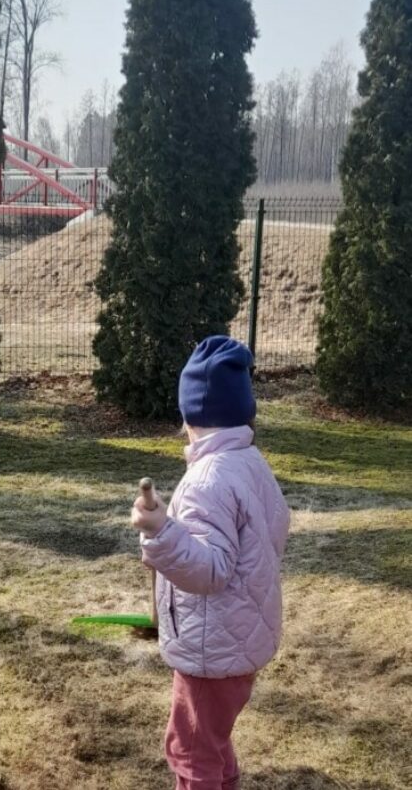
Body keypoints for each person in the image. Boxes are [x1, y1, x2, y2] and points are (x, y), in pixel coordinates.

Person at [131, 335, 290, 790]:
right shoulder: (250, 461)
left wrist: (161, 533)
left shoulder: (206, 480)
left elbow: (211, 570)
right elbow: (272, 528)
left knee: (191, 748)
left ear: (189, 416)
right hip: (239, 638)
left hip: (211, 648)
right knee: (213, 737)